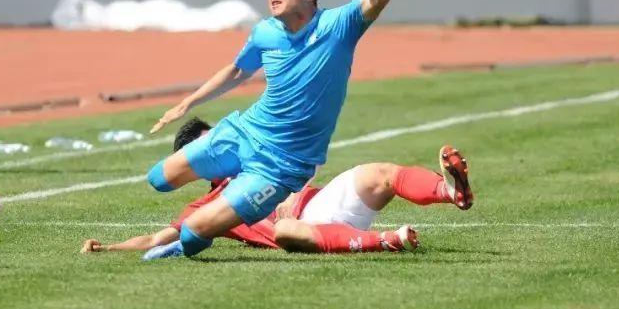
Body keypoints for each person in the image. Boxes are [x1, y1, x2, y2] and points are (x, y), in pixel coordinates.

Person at [142, 0, 393, 261]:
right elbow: (236, 71)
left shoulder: (339, 25)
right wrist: (186, 103)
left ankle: (194, 237)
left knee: (194, 231)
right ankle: (231, 184)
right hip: (243, 133)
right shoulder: (265, 32)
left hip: (281, 166)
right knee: (159, 179)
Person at [82, 117, 473, 256]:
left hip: (322, 208)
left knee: (377, 172)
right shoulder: (207, 208)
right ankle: (386, 241)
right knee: (286, 229)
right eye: (208, 147)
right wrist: (107, 248)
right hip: (302, 232)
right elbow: (157, 240)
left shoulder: (261, 155)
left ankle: (449, 192)